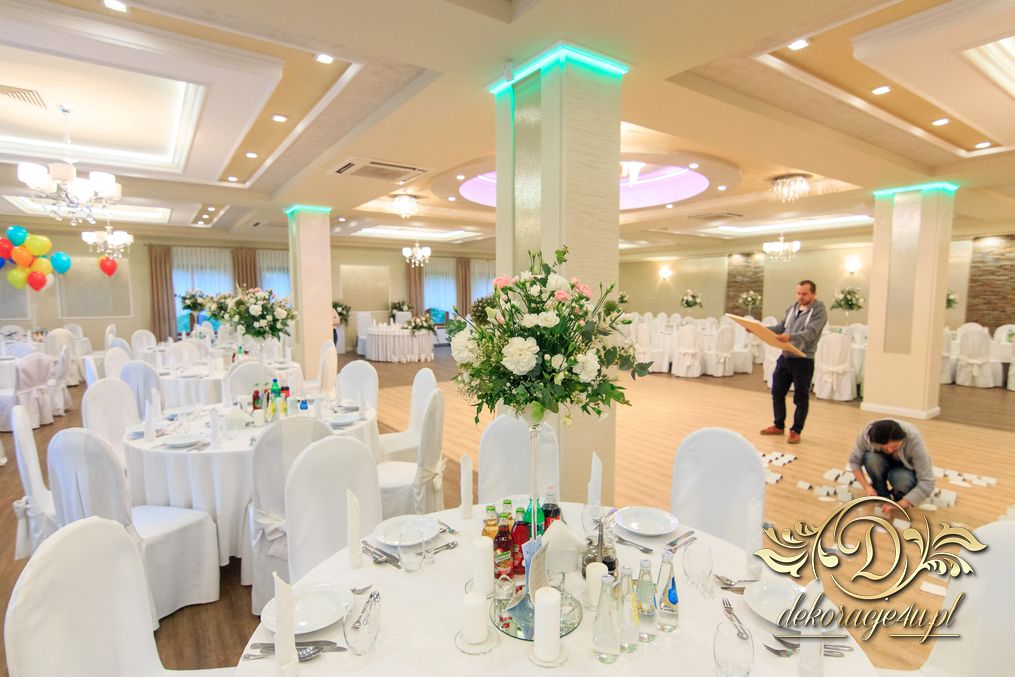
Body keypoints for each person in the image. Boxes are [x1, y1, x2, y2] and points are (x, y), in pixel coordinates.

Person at [759, 280, 827, 444]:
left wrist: (790, 337)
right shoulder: (792, 308)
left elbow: (810, 333)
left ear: (813, 294)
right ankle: (778, 425)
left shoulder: (819, 311)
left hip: (803, 359)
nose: (800, 297)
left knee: (800, 397)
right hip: (785, 356)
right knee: (777, 392)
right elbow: (782, 327)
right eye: (798, 293)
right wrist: (760, 329)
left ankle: (796, 430)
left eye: (804, 294)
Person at [848, 419, 935, 516]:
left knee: (903, 480)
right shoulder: (868, 436)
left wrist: (900, 504)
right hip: (882, 461)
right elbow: (854, 461)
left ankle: (899, 496)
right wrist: (866, 486)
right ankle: (881, 493)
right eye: (884, 448)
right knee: (872, 458)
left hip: (905, 470)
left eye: (895, 446)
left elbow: (928, 482)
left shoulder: (914, 439)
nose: (889, 451)